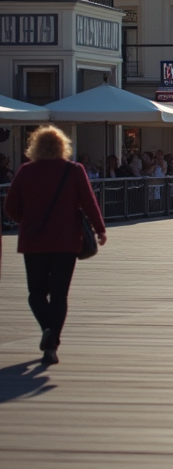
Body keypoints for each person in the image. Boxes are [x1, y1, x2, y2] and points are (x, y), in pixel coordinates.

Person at [3, 126, 107, 365]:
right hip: (66, 241)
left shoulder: (26, 171)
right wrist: (99, 229)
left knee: (36, 293)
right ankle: (52, 345)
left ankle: (47, 328)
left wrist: (27, 222)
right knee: (60, 294)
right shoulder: (73, 170)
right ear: (63, 146)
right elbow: (89, 202)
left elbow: (10, 205)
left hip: (34, 241)